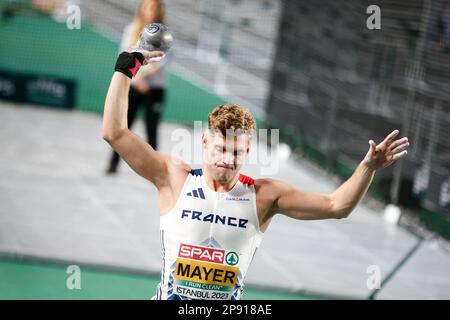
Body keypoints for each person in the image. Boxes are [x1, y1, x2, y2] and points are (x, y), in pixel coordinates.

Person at [102, 50, 410, 300]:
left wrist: (367, 166)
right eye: (221, 149)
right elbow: (115, 132)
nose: (227, 159)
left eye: (236, 153)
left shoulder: (263, 196)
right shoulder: (174, 178)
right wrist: (125, 68)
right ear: (206, 141)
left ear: (247, 151)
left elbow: (336, 206)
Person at [106, 0, 168, 174]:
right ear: (142, 9)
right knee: (123, 127)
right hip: (134, 86)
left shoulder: (165, 33)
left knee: (152, 129)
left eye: (156, 7)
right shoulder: (132, 29)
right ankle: (113, 164)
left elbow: (162, 60)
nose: (152, 10)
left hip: (154, 89)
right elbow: (125, 55)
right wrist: (138, 79)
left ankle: (155, 170)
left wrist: (144, 77)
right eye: (149, 6)